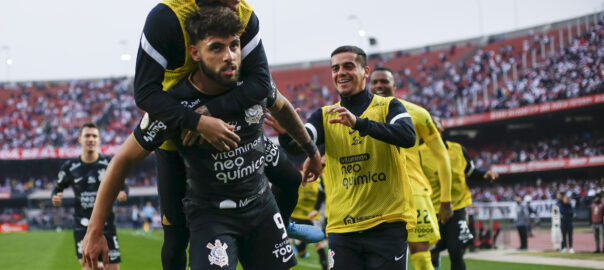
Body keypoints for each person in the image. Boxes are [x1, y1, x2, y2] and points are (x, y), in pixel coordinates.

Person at [81, 6, 321, 270]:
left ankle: (284, 223)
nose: (229, 57)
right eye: (216, 48)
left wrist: (311, 150)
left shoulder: (254, 85)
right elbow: (122, 160)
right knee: (174, 239)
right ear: (195, 53)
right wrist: (95, 230)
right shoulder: (175, 108)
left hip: (262, 206)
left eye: (234, 46)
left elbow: (283, 107)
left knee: (291, 179)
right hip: (213, 216)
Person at [280, 45, 418, 270]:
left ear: (365, 71)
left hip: (386, 224)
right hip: (343, 229)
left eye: (348, 66)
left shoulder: (389, 106)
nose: (340, 72)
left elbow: (407, 136)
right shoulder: (324, 116)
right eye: (335, 68)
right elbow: (301, 144)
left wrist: (359, 123)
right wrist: (287, 134)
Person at [369, 67, 453, 270]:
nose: (380, 85)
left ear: (395, 85)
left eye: (385, 81)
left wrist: (446, 200)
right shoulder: (359, 114)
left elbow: (442, 156)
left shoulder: (418, 113)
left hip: (413, 189)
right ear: (369, 86)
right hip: (377, 192)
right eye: (375, 82)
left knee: (420, 251)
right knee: (379, 254)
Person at [418, 116, 499, 270]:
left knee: (456, 250)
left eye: (437, 122)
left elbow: (471, 171)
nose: (434, 124)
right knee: (432, 253)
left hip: (457, 207)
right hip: (431, 210)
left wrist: (485, 175)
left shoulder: (458, 149)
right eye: (429, 122)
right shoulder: (419, 153)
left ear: (442, 127)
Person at [51, 123, 128, 270]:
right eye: (87, 135)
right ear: (80, 139)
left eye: (94, 136)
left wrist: (124, 193)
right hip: (82, 224)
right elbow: (57, 189)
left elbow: (124, 186)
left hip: (107, 223)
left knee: (112, 268)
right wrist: (55, 197)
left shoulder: (109, 164)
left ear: (99, 140)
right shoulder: (70, 167)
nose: (91, 139)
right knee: (88, 267)